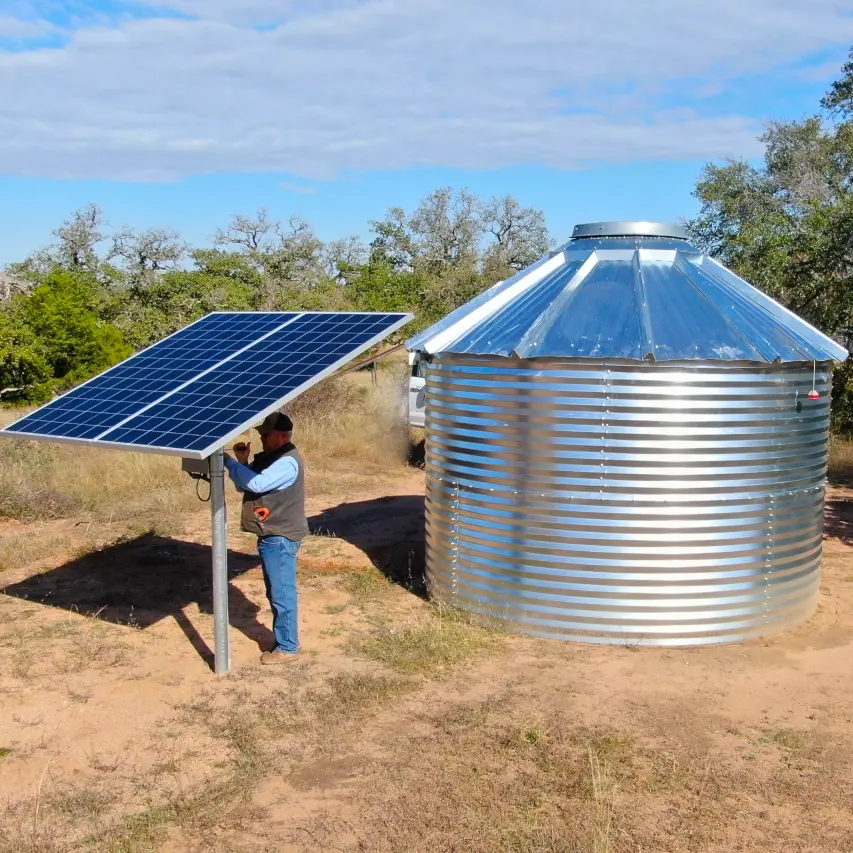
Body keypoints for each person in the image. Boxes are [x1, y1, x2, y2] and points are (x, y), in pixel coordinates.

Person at [223, 411, 309, 665]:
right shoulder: (272, 458)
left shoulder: (287, 462)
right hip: (272, 534)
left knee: (282, 592)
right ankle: (284, 640)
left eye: (265, 435)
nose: (261, 438)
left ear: (282, 436)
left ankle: (288, 647)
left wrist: (230, 464)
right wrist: (242, 461)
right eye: (261, 434)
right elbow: (246, 484)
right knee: (276, 590)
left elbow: (257, 485)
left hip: (280, 536)